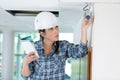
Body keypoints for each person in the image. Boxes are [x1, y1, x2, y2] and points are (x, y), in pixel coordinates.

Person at [21, 11, 94, 80]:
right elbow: (25, 76)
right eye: (51, 29)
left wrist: (84, 29)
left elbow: (81, 52)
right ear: (42, 33)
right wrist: (25, 63)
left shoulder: (64, 46)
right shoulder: (33, 48)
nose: (56, 31)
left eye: (56, 27)